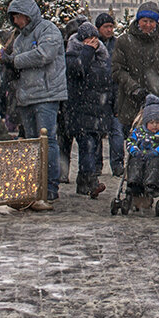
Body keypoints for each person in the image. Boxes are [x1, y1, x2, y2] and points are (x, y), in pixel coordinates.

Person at [0, 0, 68, 210]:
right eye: (14, 17)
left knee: (47, 140)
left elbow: (44, 54)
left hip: (46, 94)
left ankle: (49, 186)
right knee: (31, 142)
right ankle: (34, 185)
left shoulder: (48, 30)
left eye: (19, 16)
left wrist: (14, 61)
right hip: (26, 95)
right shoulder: (18, 39)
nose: (17, 21)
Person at [112, 1, 159, 174]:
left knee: (155, 145)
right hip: (131, 102)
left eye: (151, 22)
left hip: (157, 104)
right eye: (144, 21)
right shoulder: (124, 41)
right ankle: (134, 179)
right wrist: (134, 89)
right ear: (138, 21)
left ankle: (151, 178)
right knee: (135, 144)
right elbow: (118, 70)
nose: (148, 25)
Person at [65, 21, 112, 198]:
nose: (92, 42)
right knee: (86, 147)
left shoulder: (103, 55)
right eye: (88, 39)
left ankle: (84, 182)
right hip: (80, 108)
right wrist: (87, 51)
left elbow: (107, 82)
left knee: (93, 147)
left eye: (94, 39)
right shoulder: (72, 54)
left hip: (97, 109)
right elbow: (78, 70)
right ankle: (90, 181)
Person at [123, 94, 159, 199]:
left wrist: (156, 152)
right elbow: (130, 142)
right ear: (146, 123)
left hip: (157, 157)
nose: (155, 125)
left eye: (157, 123)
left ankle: (152, 185)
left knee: (156, 163)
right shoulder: (138, 132)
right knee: (134, 162)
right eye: (151, 122)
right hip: (140, 155)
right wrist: (135, 151)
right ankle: (134, 183)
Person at [93, 13, 124, 177]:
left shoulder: (117, 45)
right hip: (98, 93)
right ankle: (97, 164)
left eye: (111, 27)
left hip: (114, 93)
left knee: (116, 132)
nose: (110, 30)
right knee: (98, 132)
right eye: (106, 27)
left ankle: (117, 164)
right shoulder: (94, 44)